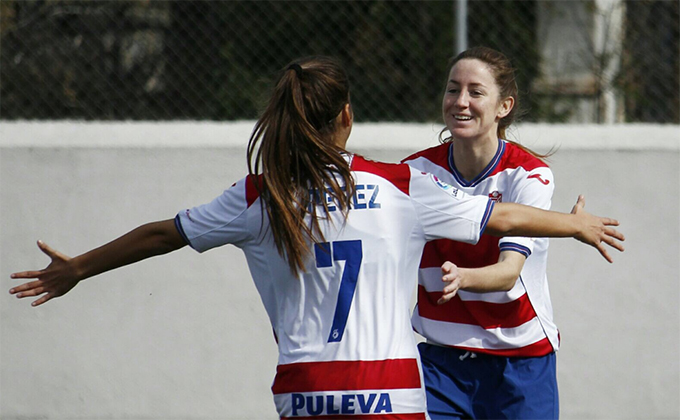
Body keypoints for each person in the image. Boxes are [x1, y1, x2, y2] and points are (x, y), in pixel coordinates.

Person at [9, 56, 624, 420]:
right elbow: (502, 219)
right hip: (390, 391)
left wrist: (79, 269)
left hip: (304, 392)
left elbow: (159, 233)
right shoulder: (398, 184)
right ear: (346, 118)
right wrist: (576, 225)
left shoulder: (260, 194)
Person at [402, 46, 596, 419]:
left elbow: (509, 272)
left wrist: (464, 277)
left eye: (475, 92)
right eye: (452, 89)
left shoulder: (528, 176)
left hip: (520, 364)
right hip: (441, 365)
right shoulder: (416, 172)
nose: (460, 101)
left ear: (503, 106)